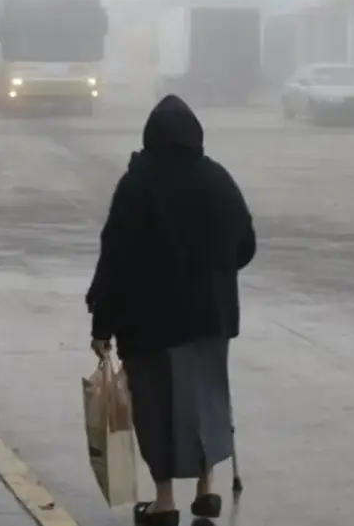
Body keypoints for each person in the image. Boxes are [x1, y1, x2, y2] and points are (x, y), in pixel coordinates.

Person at [86, 94, 256, 526]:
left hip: (150, 324)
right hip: (210, 319)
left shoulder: (138, 184)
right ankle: (206, 489)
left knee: (156, 410)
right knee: (207, 402)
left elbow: (116, 259)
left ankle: (164, 503)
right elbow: (245, 244)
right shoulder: (216, 178)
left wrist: (102, 322)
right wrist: (213, 273)